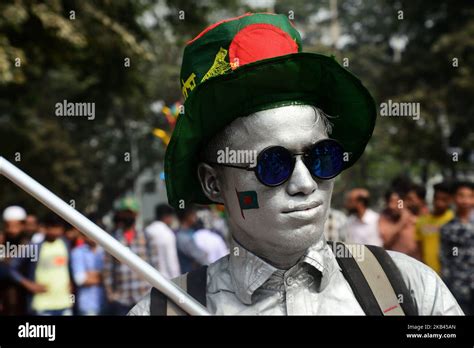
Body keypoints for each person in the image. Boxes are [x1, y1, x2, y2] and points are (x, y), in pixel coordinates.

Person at [129, 13, 462, 315]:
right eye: (273, 164)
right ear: (213, 182)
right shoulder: (162, 312)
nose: (305, 183)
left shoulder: (411, 291)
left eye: (321, 157)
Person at [103, 198, 160, 315]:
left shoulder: (147, 236)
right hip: (121, 300)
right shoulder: (112, 239)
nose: (127, 216)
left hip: (143, 297)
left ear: (136, 214)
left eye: (130, 213)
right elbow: (107, 269)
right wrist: (110, 294)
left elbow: (155, 266)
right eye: (125, 213)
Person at [10, 213, 74, 315]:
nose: (56, 231)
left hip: (64, 303)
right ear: (45, 228)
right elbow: (12, 268)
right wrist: (29, 285)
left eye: (58, 228)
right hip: (43, 304)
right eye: (52, 228)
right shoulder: (35, 247)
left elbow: (69, 267)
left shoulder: (65, 244)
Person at [440, 181, 474, 315]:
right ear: (454, 199)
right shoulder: (447, 228)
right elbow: (444, 258)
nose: (465, 200)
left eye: (470, 196)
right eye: (461, 195)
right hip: (458, 286)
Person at [415, 182, 454, 274]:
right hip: (427, 272)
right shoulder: (422, 221)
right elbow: (419, 246)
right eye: (437, 198)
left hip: (448, 273)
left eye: (444, 200)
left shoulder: (453, 220)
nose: (439, 203)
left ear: (450, 200)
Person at [0, 205, 29, 315]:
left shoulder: (29, 241)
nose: (12, 230)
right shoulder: (2, 239)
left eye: (16, 225)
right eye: (9, 226)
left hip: (24, 289)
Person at [71, 233, 106, 315]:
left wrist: (90, 274)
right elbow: (80, 280)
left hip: (106, 303)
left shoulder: (104, 251)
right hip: (87, 305)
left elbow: (110, 275)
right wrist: (102, 275)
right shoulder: (77, 252)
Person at [145, 204, 181, 279]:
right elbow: (172, 260)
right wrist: (177, 278)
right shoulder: (168, 233)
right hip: (166, 279)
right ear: (166, 217)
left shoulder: (147, 230)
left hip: (149, 277)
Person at [379, 190, 417, 257]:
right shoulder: (384, 219)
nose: (391, 206)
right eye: (390, 202)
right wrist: (402, 220)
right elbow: (387, 240)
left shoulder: (415, 219)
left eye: (396, 202)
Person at [175, 205, 208, 273]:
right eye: (193, 214)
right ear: (187, 216)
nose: (196, 216)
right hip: (192, 275)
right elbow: (201, 258)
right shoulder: (184, 237)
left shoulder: (186, 233)